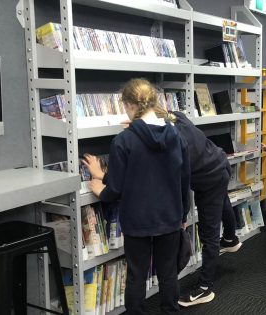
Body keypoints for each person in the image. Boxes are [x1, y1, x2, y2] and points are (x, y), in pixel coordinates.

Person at [85, 78, 190, 315]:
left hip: (137, 221)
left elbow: (115, 189)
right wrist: (182, 214)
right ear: (154, 102)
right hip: (170, 217)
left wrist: (99, 184)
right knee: (168, 274)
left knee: (136, 277)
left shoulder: (123, 141)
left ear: (130, 105)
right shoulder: (176, 135)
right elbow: (185, 180)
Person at [168, 110, 242, 307]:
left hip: (207, 180)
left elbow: (182, 185)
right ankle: (230, 238)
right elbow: (177, 112)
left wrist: (182, 216)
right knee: (224, 201)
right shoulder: (177, 118)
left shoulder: (172, 143)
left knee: (208, 235)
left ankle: (204, 289)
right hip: (220, 163)